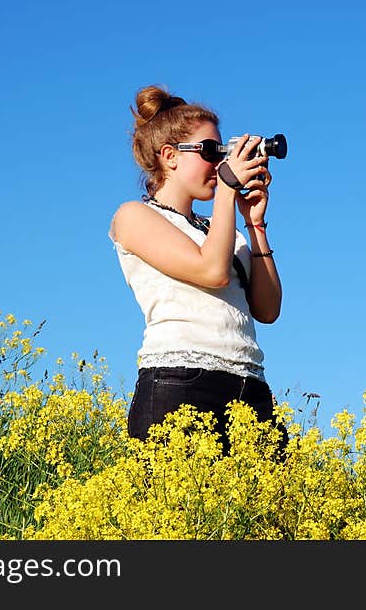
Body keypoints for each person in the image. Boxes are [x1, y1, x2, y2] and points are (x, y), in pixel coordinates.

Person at [108, 84, 288, 455]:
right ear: (170, 157)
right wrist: (226, 190)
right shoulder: (134, 216)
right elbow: (211, 271)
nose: (220, 162)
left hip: (249, 386)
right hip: (181, 386)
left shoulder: (223, 232)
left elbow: (268, 310)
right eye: (210, 151)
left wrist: (254, 224)